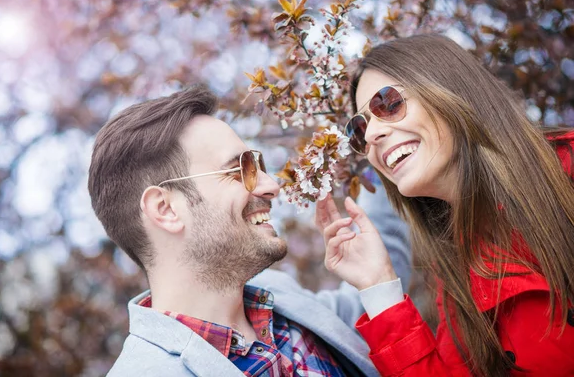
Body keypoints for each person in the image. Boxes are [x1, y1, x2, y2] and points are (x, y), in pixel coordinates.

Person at [87, 85, 409, 376]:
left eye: (258, 166)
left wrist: (380, 145)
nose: (272, 187)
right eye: (238, 170)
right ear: (166, 209)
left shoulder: (283, 303)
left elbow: (375, 302)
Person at [316, 34, 574, 376]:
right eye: (360, 129)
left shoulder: (566, 176)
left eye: (388, 103)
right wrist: (378, 286)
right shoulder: (458, 276)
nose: (373, 134)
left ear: (449, 88)